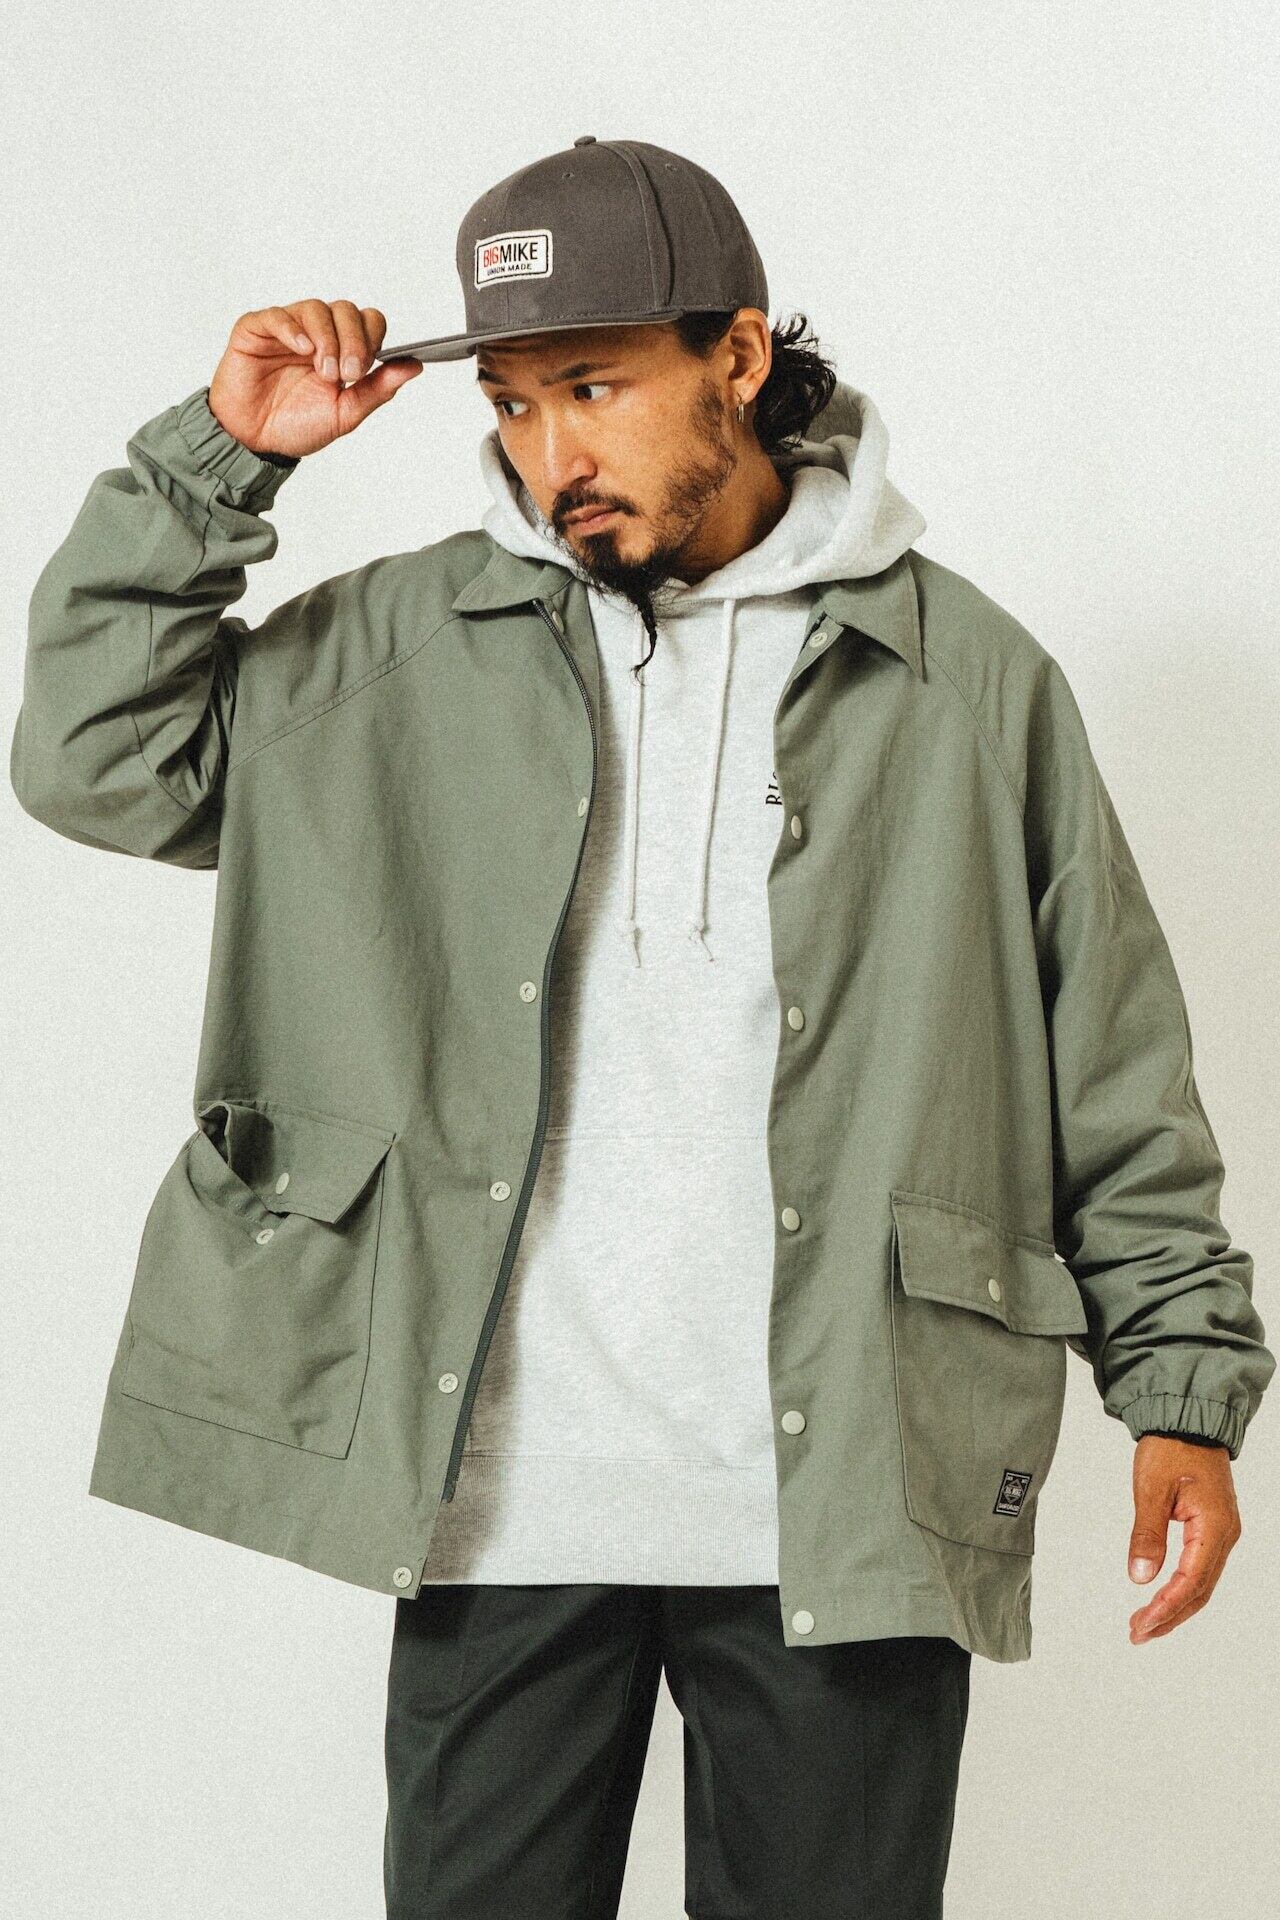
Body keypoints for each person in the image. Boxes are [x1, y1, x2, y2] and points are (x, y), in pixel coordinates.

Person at [12, 138, 1273, 1919]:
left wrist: (1183, 1392)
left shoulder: (966, 683)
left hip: (844, 1502)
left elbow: (1113, 1071)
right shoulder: (400, 651)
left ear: (738, 357)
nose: (553, 457)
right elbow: (96, 760)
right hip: (494, 1510)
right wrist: (222, 459)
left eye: (594, 387)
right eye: (515, 404)